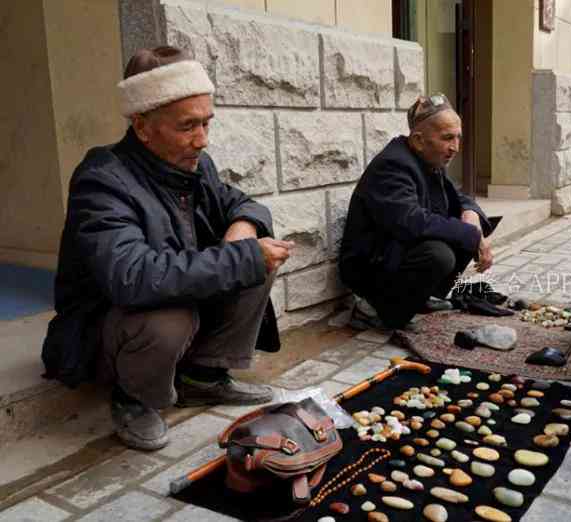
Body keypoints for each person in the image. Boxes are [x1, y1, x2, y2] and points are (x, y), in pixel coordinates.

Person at [41, 46, 295, 450]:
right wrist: (237, 258)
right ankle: (134, 397)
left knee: (255, 259)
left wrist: (243, 227)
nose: (202, 140)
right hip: (103, 330)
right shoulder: (102, 179)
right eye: (188, 126)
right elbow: (133, 277)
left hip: (171, 301)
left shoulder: (194, 163)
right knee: (170, 317)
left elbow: (243, 203)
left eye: (206, 123)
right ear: (142, 127)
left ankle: (203, 377)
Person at [338, 94, 496, 330]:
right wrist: (471, 235)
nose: (455, 147)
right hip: (369, 267)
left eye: (458, 138)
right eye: (447, 138)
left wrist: (470, 213)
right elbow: (410, 221)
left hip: (395, 252)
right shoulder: (394, 165)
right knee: (440, 253)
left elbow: (455, 197)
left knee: (465, 229)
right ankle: (375, 309)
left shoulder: (427, 158)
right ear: (419, 140)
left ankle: (418, 298)